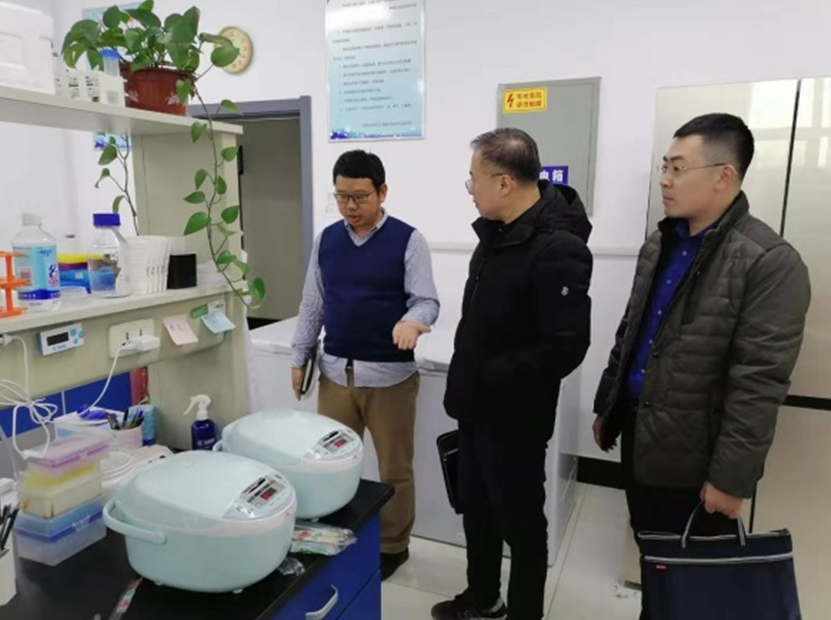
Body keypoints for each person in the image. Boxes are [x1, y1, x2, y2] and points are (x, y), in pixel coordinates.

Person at [592, 113, 811, 619]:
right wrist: (608, 406)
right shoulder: (659, 243)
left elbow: (759, 383)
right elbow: (631, 332)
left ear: (723, 176)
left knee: (695, 587)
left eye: (678, 168)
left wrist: (731, 479)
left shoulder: (768, 261)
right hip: (642, 437)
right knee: (656, 563)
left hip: (697, 459)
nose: (665, 180)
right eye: (664, 167)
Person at [432, 128, 593, 620]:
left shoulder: (558, 248)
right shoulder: (494, 236)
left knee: (522, 527)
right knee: (476, 509)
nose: (470, 189)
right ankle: (483, 599)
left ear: (503, 182)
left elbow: (566, 345)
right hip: (475, 409)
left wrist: (493, 372)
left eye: (473, 179)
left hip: (515, 420)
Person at [291, 150, 440, 580]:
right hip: (335, 375)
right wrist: (300, 356)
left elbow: (426, 301)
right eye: (342, 197)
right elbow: (313, 303)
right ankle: (337, 536)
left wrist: (412, 321)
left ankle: (394, 545)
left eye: (360, 197)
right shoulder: (327, 240)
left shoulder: (408, 240)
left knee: (395, 469)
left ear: (382, 192)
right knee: (331, 465)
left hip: (390, 380)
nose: (350, 206)